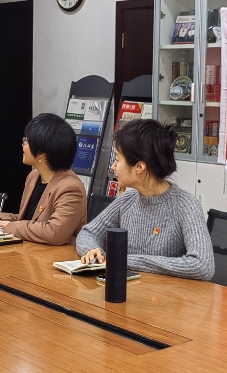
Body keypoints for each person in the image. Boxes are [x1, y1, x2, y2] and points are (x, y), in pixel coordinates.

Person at [77, 119, 214, 280]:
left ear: (139, 167)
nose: (112, 167)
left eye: (118, 159)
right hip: (128, 292)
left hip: (168, 300)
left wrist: (124, 260)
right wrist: (92, 249)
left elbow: (202, 265)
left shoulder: (186, 206)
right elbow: (88, 232)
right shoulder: (127, 199)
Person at [0, 113, 86, 245]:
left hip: (56, 258)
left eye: (26, 141)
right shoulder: (33, 176)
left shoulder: (70, 188)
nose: (23, 145)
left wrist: (7, 226)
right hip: (31, 252)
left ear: (42, 153)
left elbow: (54, 232)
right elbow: (28, 220)